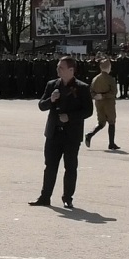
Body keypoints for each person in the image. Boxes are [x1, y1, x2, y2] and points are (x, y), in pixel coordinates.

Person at [29, 56, 93, 209]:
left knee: (70, 167)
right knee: (50, 166)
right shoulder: (52, 85)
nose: (58, 69)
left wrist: (70, 117)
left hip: (71, 135)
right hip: (53, 133)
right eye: (58, 66)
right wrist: (51, 99)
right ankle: (45, 197)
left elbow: (88, 111)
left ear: (71, 70)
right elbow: (41, 106)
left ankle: (67, 198)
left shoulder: (82, 87)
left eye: (61, 67)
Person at [84, 58, 120, 150]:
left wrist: (96, 96)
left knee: (101, 123)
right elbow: (114, 92)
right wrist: (104, 96)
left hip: (98, 103)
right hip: (108, 103)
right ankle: (111, 143)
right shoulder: (110, 79)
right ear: (109, 67)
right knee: (111, 122)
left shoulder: (95, 79)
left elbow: (91, 91)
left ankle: (90, 134)